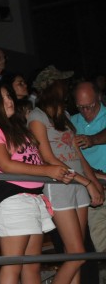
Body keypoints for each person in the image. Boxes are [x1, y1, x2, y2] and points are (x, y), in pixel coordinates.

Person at [0, 83, 74, 284]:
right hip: (11, 198)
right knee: (13, 266)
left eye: (9, 96)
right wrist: (48, 170)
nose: (9, 100)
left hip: (33, 198)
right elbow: (6, 165)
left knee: (32, 267)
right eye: (3, 98)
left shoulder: (17, 128)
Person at [27, 67, 104, 284]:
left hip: (78, 184)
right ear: (54, 87)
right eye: (63, 83)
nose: (67, 87)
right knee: (76, 252)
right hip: (58, 185)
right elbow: (48, 157)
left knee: (77, 254)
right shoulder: (36, 116)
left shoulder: (66, 115)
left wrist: (92, 183)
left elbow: (78, 155)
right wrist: (87, 182)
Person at [72, 81, 106, 252]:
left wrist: (92, 140)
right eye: (80, 107)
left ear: (99, 98)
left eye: (90, 106)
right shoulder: (71, 122)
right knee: (102, 245)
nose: (85, 111)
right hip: (93, 190)